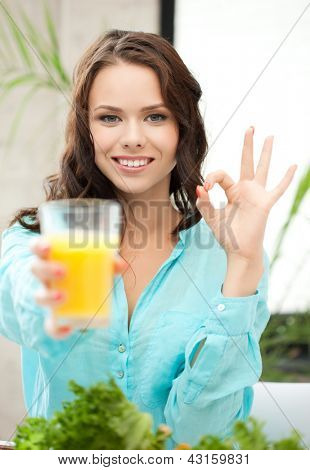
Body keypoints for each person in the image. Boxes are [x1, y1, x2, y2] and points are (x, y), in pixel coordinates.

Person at [0, 29, 297, 449]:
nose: (133, 136)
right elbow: (18, 304)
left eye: (155, 116)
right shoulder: (39, 238)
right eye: (109, 117)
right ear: (86, 130)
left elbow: (201, 437)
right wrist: (46, 292)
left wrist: (244, 266)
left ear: (182, 128)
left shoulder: (229, 255)